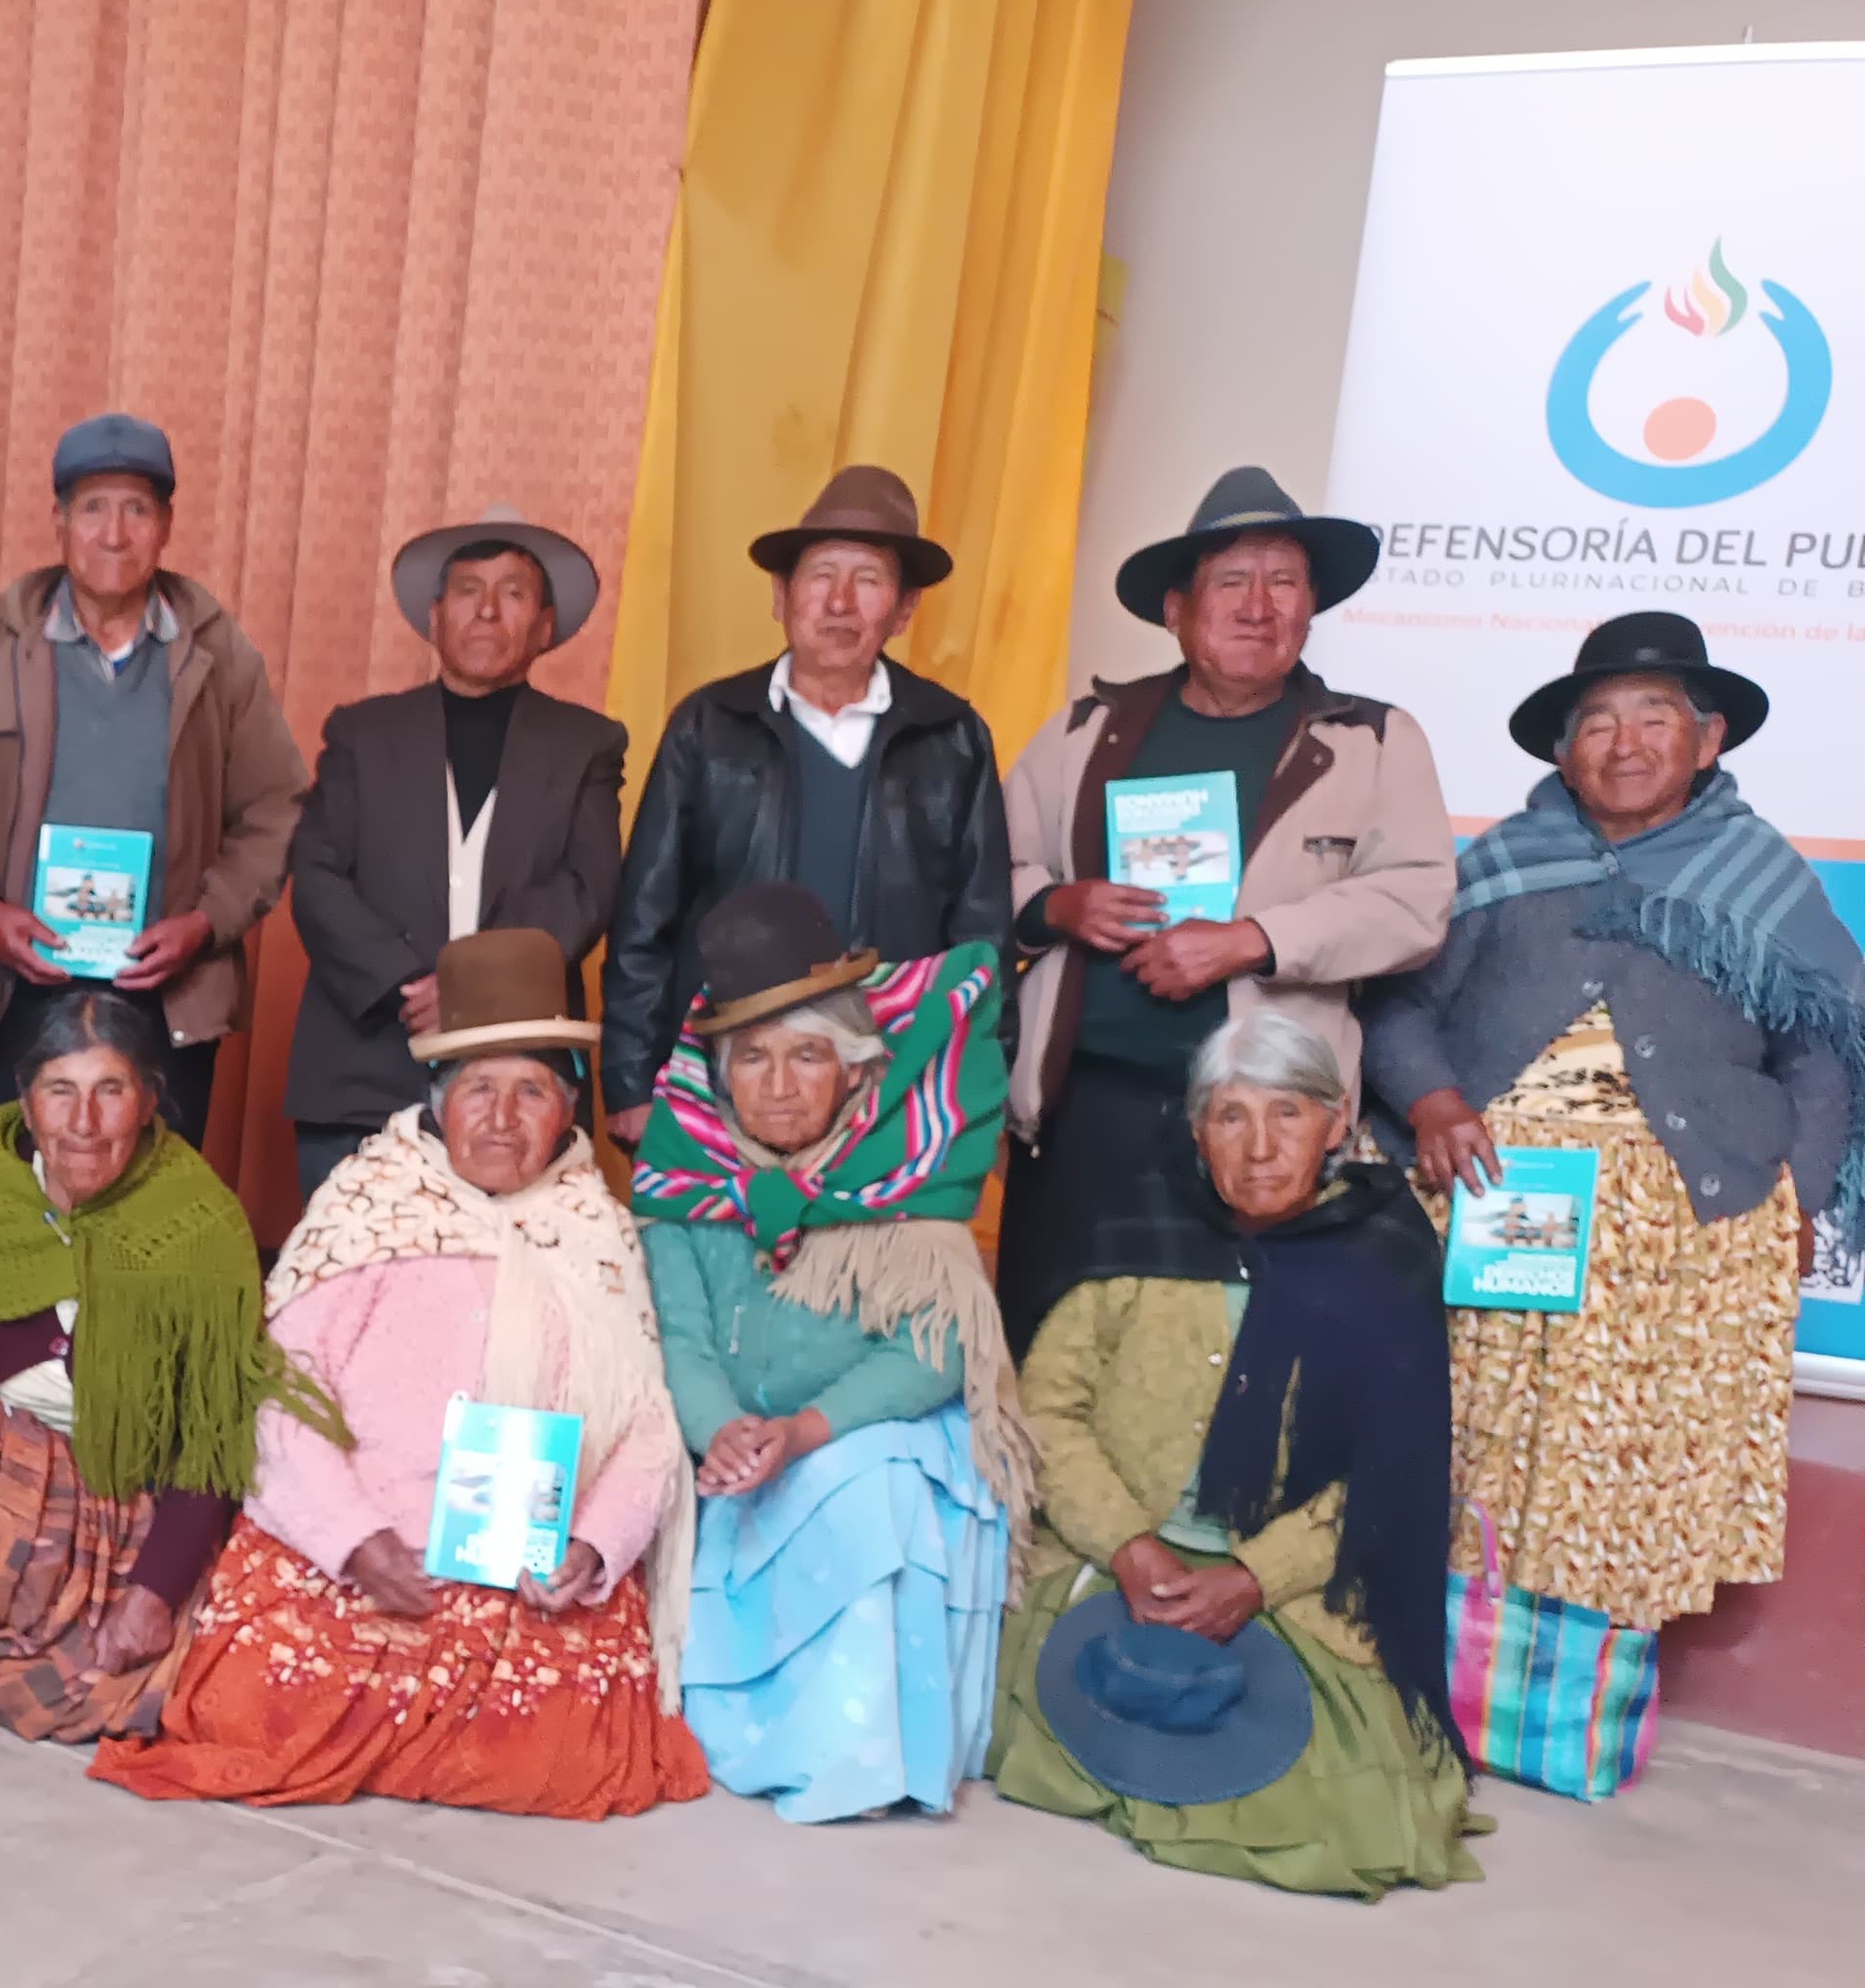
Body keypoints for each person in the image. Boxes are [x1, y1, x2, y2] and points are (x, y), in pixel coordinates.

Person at [92, 931, 708, 1817]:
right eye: (479, 1089)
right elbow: (278, 1397)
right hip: (359, 1549)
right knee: (258, 1708)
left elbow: (647, 1424)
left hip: (526, 1569)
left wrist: (593, 1545)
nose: (502, 1118)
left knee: (571, 1749)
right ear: (439, 1101)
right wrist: (353, 1538)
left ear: (569, 1109)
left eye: (531, 1090)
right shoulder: (367, 1207)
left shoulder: (596, 1230)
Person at [1367, 612, 1861, 1637]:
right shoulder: (1501, 863)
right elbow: (1397, 1005)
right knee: (1479, 1444)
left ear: (1708, 739)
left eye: (1654, 717)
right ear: (1562, 751)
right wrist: (1433, 1099)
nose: (1624, 744)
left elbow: (1823, 1049)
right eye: (1597, 722)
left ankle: (1586, 1677)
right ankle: (1463, 1661)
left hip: (1688, 1222)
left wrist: (1800, 1192)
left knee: (1631, 1465)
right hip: (1502, 1196)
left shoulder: (1761, 877)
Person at [989, 1010, 1480, 1897]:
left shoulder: (1382, 1253)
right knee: (1046, 1704)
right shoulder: (1139, 1228)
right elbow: (1047, 1410)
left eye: (1288, 1113)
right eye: (1230, 1115)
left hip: (1293, 1586)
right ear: (1197, 1129)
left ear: (1337, 1122)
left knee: (1330, 1805)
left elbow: (1391, 1468)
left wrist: (1253, 1577)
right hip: (1118, 1562)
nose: (1259, 1147)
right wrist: (1131, 1547)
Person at [999, 466, 1454, 1360]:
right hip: (1085, 1113)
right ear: (1177, 610)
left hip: (1264, 1130)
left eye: (1284, 582)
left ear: (1310, 608)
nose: (1259, 605)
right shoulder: (1088, 728)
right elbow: (988, 871)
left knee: (1229, 1367)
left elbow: (1415, 899)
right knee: (1051, 1357)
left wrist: (1254, 941)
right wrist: (1059, 903)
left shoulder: (1371, 739)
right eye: (1232, 581)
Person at [627, 885, 1031, 1822]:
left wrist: (804, 1431)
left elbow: (933, 1351)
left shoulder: (908, 1171)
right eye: (753, 1057)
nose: (778, 1084)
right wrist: (725, 1431)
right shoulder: (687, 1182)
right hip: (745, 1442)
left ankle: (858, 1751)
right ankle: (740, 1734)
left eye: (807, 1055)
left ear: (855, 1069)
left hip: (870, 1433)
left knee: (862, 1481)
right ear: (721, 1075)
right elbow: (679, 1336)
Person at [0, 988, 333, 1754]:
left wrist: (155, 1590)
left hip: (125, 1506)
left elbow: (214, 1431)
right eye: (60, 1090)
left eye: (110, 1089)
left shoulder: (199, 1221)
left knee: (201, 1691)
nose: (83, 1122)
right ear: (25, 1101)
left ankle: (12, 1657)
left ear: (149, 1101)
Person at [0, 413, 307, 1149]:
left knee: (149, 1200)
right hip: (2, 994)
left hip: (163, 999)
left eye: (137, 509)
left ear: (166, 526)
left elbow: (277, 810)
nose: (114, 534)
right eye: (92, 509)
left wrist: (207, 920)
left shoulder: (220, 655)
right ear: (59, 522)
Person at [603, 467, 1008, 1147]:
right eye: (821, 575)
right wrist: (631, 1083)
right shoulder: (709, 725)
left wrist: (979, 1091)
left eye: (868, 579)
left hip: (892, 1080)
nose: (840, 602)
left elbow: (983, 937)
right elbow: (645, 919)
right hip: (725, 1072)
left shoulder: (952, 737)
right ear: (781, 595)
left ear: (904, 609)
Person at [285, 511, 628, 1198]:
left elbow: (588, 887)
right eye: (469, 590)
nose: (488, 610)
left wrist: (477, 989)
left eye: (513, 593)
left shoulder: (587, 743)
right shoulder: (361, 732)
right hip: (364, 1065)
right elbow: (317, 876)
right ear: (435, 616)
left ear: (545, 626)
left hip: (521, 1081)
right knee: (351, 1259)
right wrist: (407, 985)